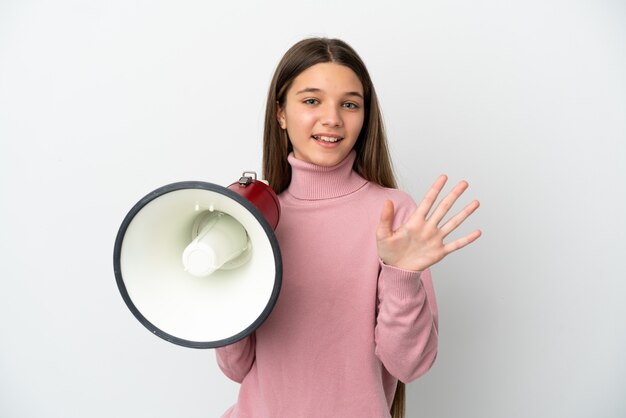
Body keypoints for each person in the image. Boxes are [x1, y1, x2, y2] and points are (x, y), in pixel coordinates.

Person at [215, 37, 481, 418]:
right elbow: (235, 367)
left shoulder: (392, 215)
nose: (332, 118)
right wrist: (221, 282)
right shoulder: (254, 219)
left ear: (364, 116)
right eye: (311, 100)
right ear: (281, 113)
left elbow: (408, 366)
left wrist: (403, 275)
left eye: (350, 104)